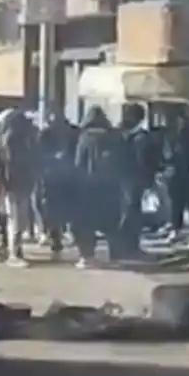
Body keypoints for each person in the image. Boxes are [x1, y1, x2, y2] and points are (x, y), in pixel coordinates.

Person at [0, 108, 39, 267]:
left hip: (11, 185)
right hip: (19, 185)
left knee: (15, 220)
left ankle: (14, 251)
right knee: (16, 220)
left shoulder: (7, 140)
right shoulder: (23, 140)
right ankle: (14, 253)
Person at [73, 105, 122, 268]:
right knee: (111, 221)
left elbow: (78, 163)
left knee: (86, 223)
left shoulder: (85, 138)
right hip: (109, 186)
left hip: (87, 186)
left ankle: (87, 256)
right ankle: (115, 254)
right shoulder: (113, 137)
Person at [116, 103, 157, 261]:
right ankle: (131, 246)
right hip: (134, 180)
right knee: (132, 212)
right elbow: (144, 162)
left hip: (120, 178)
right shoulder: (141, 137)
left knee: (125, 212)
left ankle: (122, 246)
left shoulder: (118, 133)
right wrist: (148, 179)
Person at [35, 112, 78, 258]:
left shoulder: (50, 134)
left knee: (54, 208)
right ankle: (57, 237)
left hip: (58, 176)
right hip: (55, 176)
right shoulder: (48, 134)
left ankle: (57, 236)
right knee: (54, 208)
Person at [162, 113, 189, 244]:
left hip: (182, 173)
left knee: (180, 204)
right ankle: (178, 230)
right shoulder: (177, 137)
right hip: (183, 174)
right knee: (182, 204)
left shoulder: (177, 137)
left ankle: (177, 230)